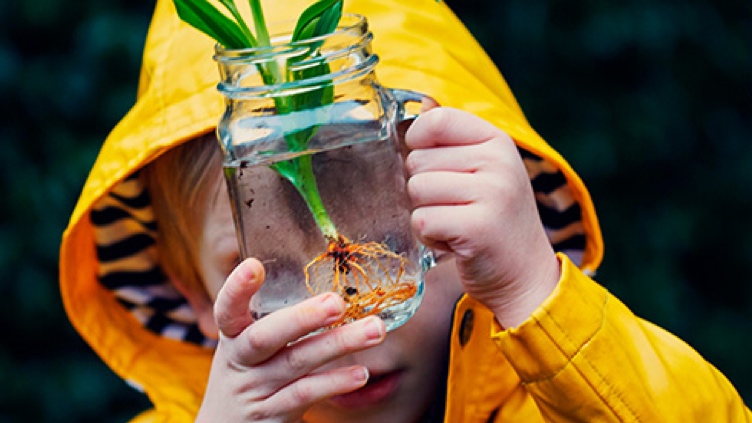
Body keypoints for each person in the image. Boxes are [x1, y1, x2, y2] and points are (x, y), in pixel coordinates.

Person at [60, 0, 751, 421]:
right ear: (191, 294)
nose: (352, 312)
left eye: (393, 235)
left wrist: (533, 291)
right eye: (274, 268)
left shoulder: (557, 403)